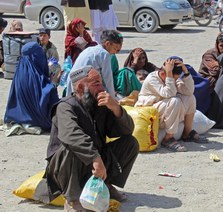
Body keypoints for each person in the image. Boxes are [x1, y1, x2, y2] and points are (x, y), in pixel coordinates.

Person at [34, 67, 139, 210]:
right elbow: (72, 135)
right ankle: (72, 199)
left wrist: (116, 109)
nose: (102, 88)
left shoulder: (101, 104)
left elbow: (127, 130)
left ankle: (105, 184)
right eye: (96, 83)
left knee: (130, 142)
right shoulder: (65, 106)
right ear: (80, 87)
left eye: (101, 83)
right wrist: (95, 158)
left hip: (95, 162)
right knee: (72, 146)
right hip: (66, 167)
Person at [136, 58, 207, 152]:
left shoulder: (173, 78)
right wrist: (169, 74)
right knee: (174, 101)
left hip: (165, 108)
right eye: (174, 78)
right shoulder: (152, 78)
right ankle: (168, 138)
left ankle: (187, 132)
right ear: (163, 73)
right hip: (149, 110)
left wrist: (186, 73)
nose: (176, 80)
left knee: (190, 98)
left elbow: (189, 91)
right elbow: (168, 93)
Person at [4, 42, 59, 131]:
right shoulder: (33, 75)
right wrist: (53, 83)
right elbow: (43, 95)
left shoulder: (21, 70)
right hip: (36, 117)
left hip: (18, 114)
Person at [66, 29, 123, 99]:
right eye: (115, 49)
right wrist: (113, 99)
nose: (115, 53)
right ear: (107, 44)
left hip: (72, 81)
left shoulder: (90, 49)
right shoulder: (104, 54)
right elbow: (108, 80)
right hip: (82, 84)